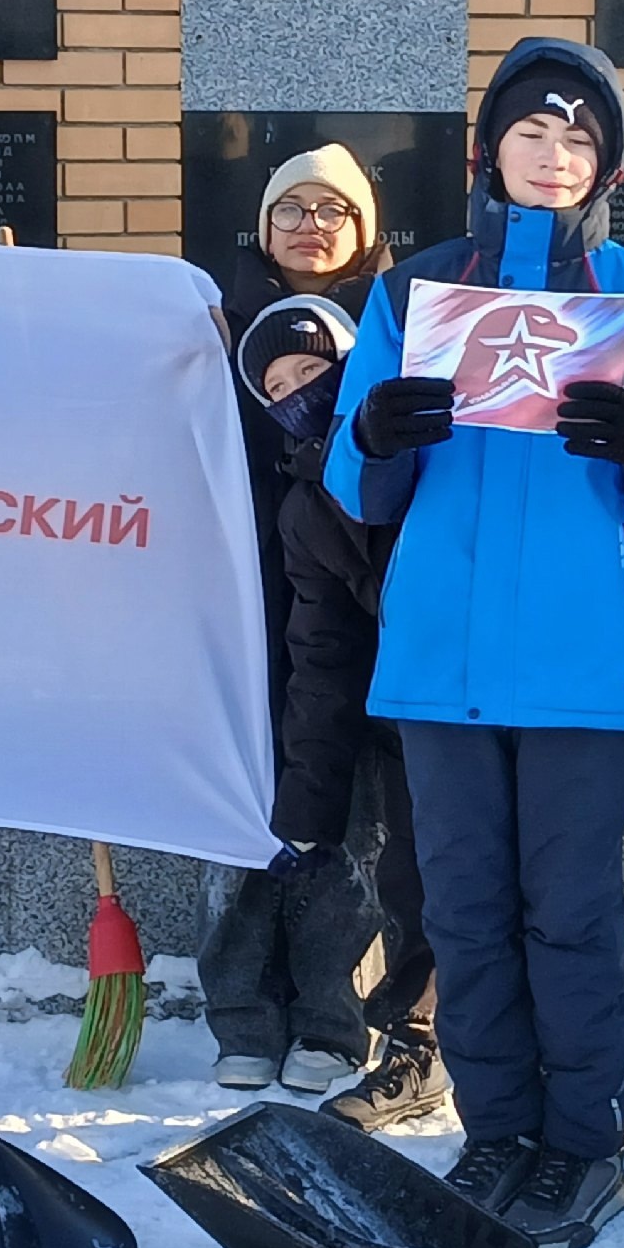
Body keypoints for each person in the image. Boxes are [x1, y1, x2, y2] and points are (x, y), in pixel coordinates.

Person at [326, 37, 624, 1248]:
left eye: (581, 140)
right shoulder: (414, 292)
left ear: (604, 164)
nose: (555, 157)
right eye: (533, 134)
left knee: (569, 914)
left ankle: (583, 1147)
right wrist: (377, 432)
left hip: (578, 666)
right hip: (440, 662)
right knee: (465, 910)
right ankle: (496, 1132)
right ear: (487, 148)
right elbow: (354, 483)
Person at [200, 147, 394, 1091]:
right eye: (291, 209)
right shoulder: (206, 333)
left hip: (355, 611)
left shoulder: (403, 333)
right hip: (237, 608)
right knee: (241, 810)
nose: (311, 226)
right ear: (262, 227)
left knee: (349, 818)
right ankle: (241, 1013)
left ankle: (332, 1017)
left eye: (333, 210)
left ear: (365, 230)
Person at [252, 297, 449, 1130]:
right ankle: (419, 1044)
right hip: (407, 711)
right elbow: (322, 658)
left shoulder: (438, 441)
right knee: (415, 876)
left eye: (316, 369)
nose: (303, 390)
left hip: (507, 684)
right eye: (280, 384)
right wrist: (308, 808)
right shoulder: (304, 507)